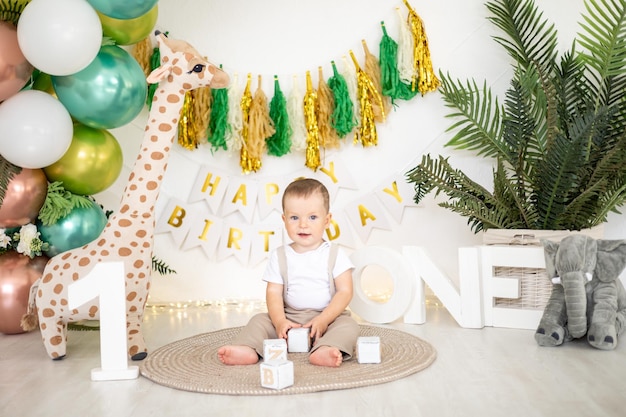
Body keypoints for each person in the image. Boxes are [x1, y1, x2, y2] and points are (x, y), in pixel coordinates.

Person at [218, 178, 359, 367]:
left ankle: (326, 348)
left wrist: (324, 319)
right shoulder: (280, 255)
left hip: (328, 316)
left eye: (312, 217)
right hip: (289, 316)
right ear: (284, 220)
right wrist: (279, 322)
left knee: (349, 326)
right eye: (294, 218)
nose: (303, 225)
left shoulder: (335, 254)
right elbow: (273, 293)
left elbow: (345, 291)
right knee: (259, 321)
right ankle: (248, 348)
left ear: (327, 220)